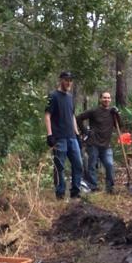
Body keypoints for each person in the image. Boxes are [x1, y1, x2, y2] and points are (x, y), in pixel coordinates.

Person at [45, 71, 85, 199]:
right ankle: (60, 193)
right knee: (59, 167)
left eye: (70, 80)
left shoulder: (70, 97)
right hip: (59, 137)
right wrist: (49, 135)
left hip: (71, 137)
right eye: (66, 80)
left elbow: (72, 115)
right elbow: (47, 115)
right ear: (61, 80)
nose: (69, 83)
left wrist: (77, 134)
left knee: (78, 164)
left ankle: (75, 191)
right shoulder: (53, 96)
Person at [76, 91, 120, 193]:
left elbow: (119, 125)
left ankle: (110, 188)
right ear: (100, 99)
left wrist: (117, 114)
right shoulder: (94, 111)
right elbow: (79, 118)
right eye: (104, 98)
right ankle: (93, 186)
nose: (107, 100)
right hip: (93, 143)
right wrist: (85, 131)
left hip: (106, 144)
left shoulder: (112, 112)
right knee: (92, 166)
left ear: (111, 99)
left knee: (109, 165)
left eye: (108, 98)